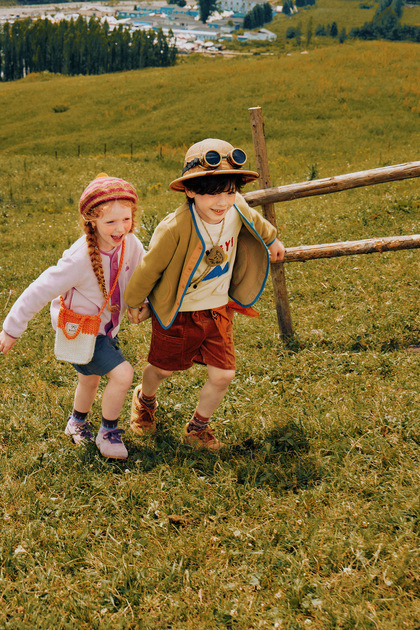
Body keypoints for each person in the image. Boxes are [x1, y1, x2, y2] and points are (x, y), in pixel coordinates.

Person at [125, 138, 285, 451]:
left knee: (224, 374)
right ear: (190, 190)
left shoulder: (236, 207)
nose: (222, 202)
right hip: (179, 312)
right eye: (212, 193)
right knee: (162, 369)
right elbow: (149, 269)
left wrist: (272, 240)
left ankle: (197, 428)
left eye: (230, 191)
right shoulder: (174, 228)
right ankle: (145, 400)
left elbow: (256, 221)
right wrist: (134, 301)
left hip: (217, 310)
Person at [0, 174, 150, 460]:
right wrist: (11, 329)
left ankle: (77, 422)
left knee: (89, 379)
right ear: (92, 221)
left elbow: (144, 274)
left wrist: (144, 303)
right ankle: (108, 432)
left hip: (105, 329)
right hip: (80, 331)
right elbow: (40, 289)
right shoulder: (79, 258)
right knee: (123, 374)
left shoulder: (131, 244)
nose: (120, 228)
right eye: (111, 222)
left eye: (126, 219)